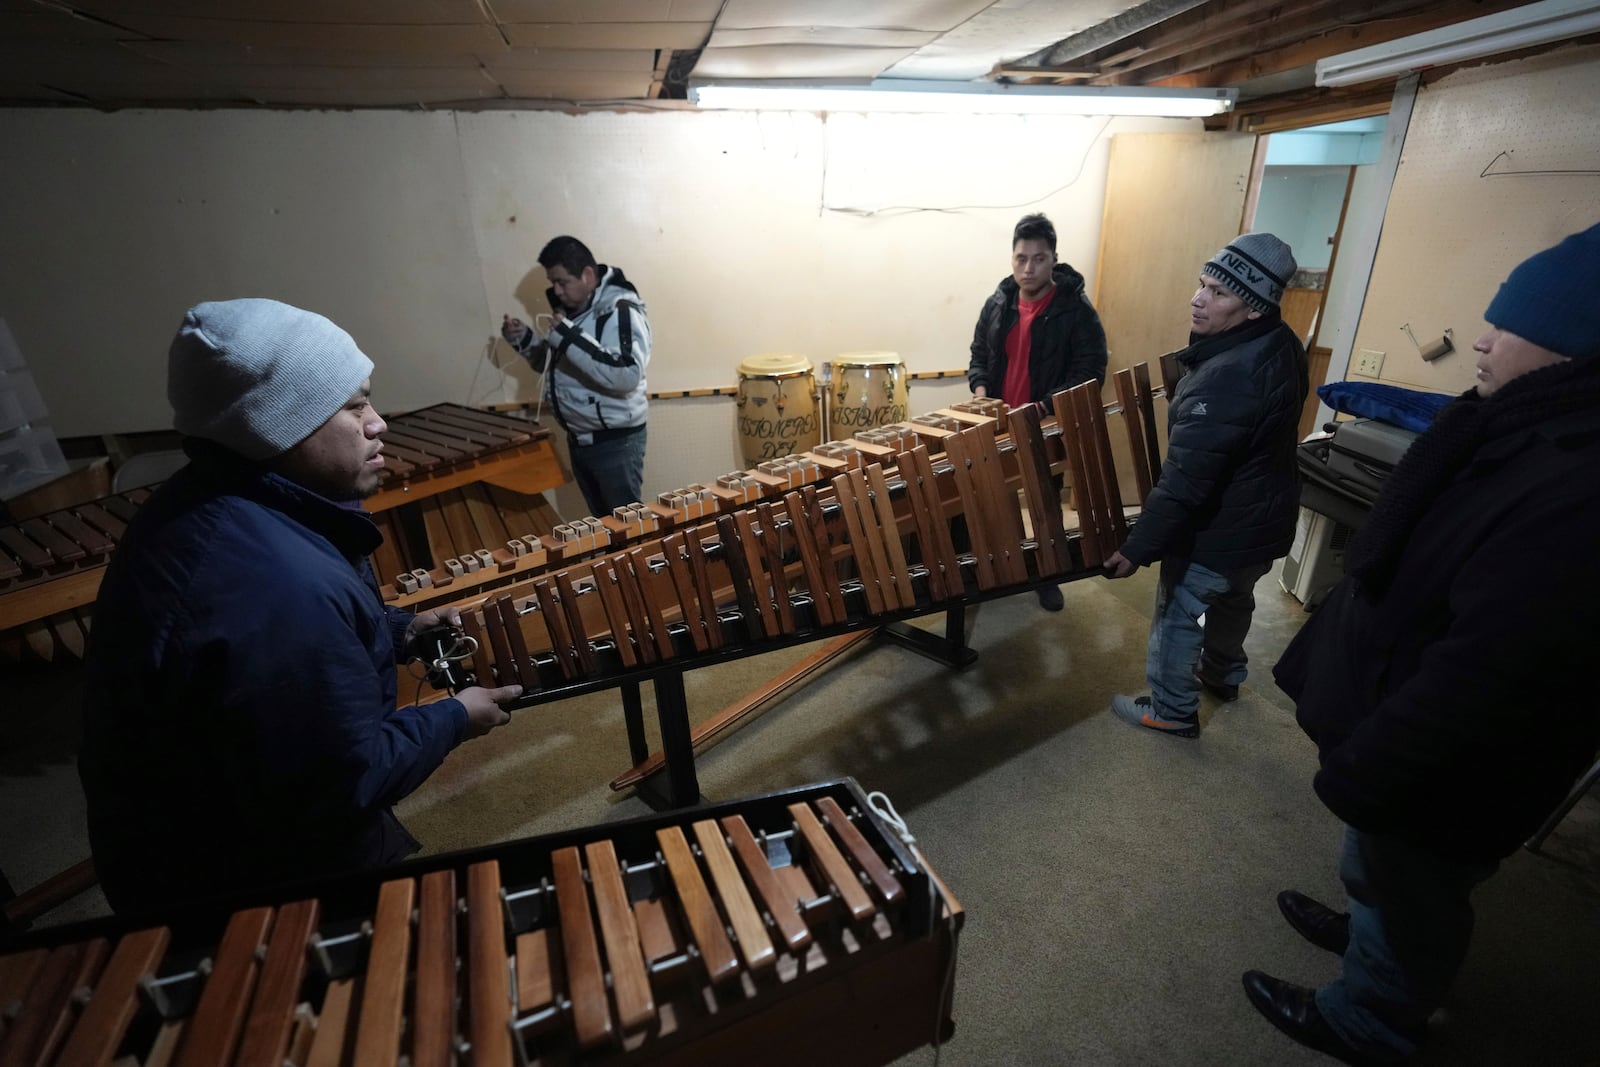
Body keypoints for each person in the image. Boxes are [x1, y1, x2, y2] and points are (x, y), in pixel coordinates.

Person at [1244, 223, 1600, 1065]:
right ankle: (1367, 928)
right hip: (1407, 712)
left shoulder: (1577, 489)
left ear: (1572, 346)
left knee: (1416, 883)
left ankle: (1369, 1017)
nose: (1480, 337)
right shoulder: (1516, 426)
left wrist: (1374, 762)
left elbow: (1492, 672)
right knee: (1385, 870)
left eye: (1506, 325)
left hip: (1451, 756)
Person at [79, 299, 522, 916]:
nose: (379, 424)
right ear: (279, 426)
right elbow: (344, 779)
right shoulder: (278, 588)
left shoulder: (220, 502)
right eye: (354, 404)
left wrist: (399, 628)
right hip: (242, 894)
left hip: (205, 851)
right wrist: (455, 716)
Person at [1104, 232, 1307, 736]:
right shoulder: (1282, 344)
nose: (1198, 299)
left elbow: (1186, 480)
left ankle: (1171, 710)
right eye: (1202, 285)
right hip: (1264, 522)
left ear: (1254, 307)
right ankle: (1223, 675)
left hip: (1220, 528)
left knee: (1178, 614)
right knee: (1235, 598)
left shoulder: (1229, 375)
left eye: (1219, 293)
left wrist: (1138, 547)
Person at [967, 212, 1108, 611]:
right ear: (1011, 258)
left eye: (1039, 258)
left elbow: (1090, 370)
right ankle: (1011, 569)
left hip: (1045, 421)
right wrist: (981, 392)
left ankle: (1050, 575)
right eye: (1021, 258)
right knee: (999, 497)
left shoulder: (1075, 310)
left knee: (1045, 501)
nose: (1028, 268)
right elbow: (979, 353)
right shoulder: (997, 303)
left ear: (1054, 258)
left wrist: (1046, 405)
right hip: (998, 420)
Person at [502, 235, 651, 517]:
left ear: (587, 275)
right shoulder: (576, 311)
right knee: (604, 526)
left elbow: (626, 375)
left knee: (629, 530)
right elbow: (560, 368)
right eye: (552, 283)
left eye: (562, 282)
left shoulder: (619, 310)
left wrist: (569, 337)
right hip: (581, 440)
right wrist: (524, 339)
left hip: (615, 442)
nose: (556, 291)